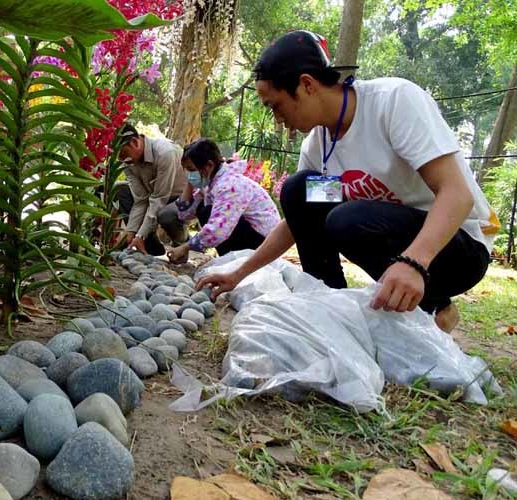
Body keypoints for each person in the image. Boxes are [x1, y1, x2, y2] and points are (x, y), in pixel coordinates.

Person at [197, 30, 500, 332]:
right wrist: (239, 274)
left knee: (348, 218)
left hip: (458, 245)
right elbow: (296, 223)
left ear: (306, 85)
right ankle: (330, 307)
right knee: (299, 190)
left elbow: (457, 194)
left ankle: (436, 306)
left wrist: (415, 263)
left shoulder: (392, 103)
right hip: (396, 239)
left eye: (275, 105)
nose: (277, 118)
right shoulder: (317, 145)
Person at [167, 139, 281, 264]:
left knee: (208, 212)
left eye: (191, 169)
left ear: (209, 165)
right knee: (203, 208)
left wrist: (185, 247)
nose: (188, 174)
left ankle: (236, 263)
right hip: (255, 235)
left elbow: (218, 230)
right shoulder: (211, 183)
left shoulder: (229, 185)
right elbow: (185, 214)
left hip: (265, 242)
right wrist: (190, 183)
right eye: (186, 170)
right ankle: (230, 260)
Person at [115, 124, 189, 256]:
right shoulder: (127, 162)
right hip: (154, 198)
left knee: (166, 216)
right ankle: (149, 246)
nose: (122, 160)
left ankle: (183, 244)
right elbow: (140, 200)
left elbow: (159, 199)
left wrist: (140, 234)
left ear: (134, 143)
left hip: (179, 199)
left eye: (123, 154)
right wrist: (131, 232)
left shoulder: (165, 153)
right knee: (121, 190)